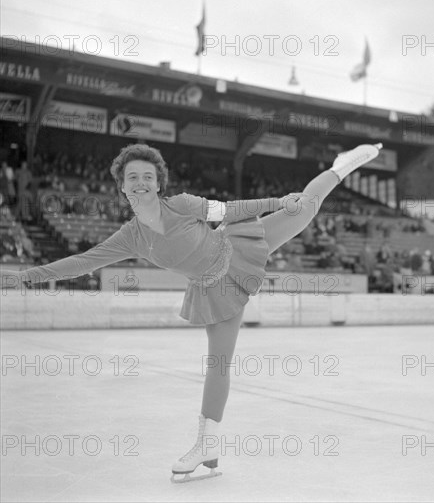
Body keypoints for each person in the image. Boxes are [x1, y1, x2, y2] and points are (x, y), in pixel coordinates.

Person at [0, 141, 382, 482]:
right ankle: (207, 445)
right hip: (212, 288)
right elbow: (84, 261)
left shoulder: (181, 204)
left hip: (236, 249)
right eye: (132, 176)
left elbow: (229, 211)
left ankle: (339, 167)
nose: (140, 182)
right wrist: (28, 277)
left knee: (302, 212)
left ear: (158, 182)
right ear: (121, 185)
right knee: (218, 365)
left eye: (147, 176)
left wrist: (276, 203)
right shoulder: (131, 236)